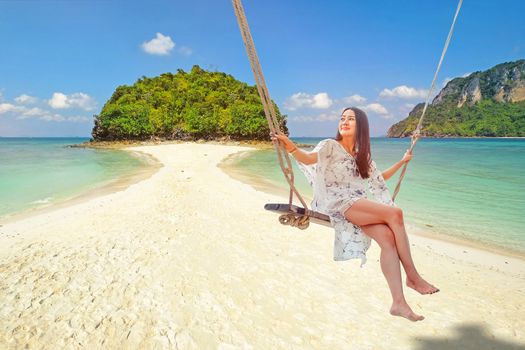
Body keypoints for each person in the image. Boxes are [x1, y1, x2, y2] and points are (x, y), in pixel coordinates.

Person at [271, 106, 439, 322]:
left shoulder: (362, 155)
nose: (344, 122)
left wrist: (401, 162)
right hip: (336, 203)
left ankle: (398, 303)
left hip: (356, 205)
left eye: (350, 119)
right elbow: (309, 158)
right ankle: (413, 276)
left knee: (388, 239)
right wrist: (290, 146)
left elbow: (379, 179)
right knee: (395, 214)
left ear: (361, 126)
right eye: (342, 118)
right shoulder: (329, 145)